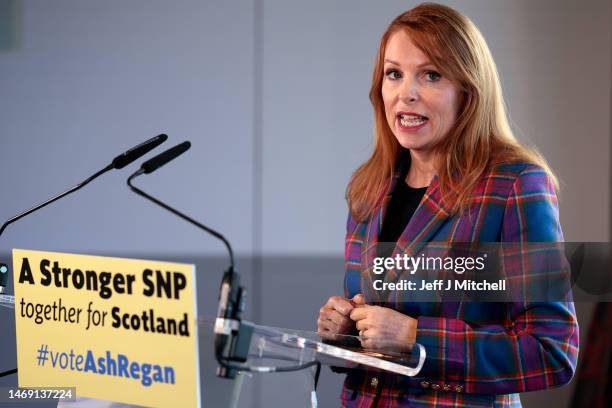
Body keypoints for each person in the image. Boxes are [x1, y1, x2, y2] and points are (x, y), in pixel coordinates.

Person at [317, 3, 579, 407]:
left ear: (468, 91)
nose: (406, 93)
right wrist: (346, 331)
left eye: (431, 75)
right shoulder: (367, 190)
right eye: (394, 74)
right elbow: (377, 334)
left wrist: (413, 337)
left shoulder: (514, 185)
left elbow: (551, 351)